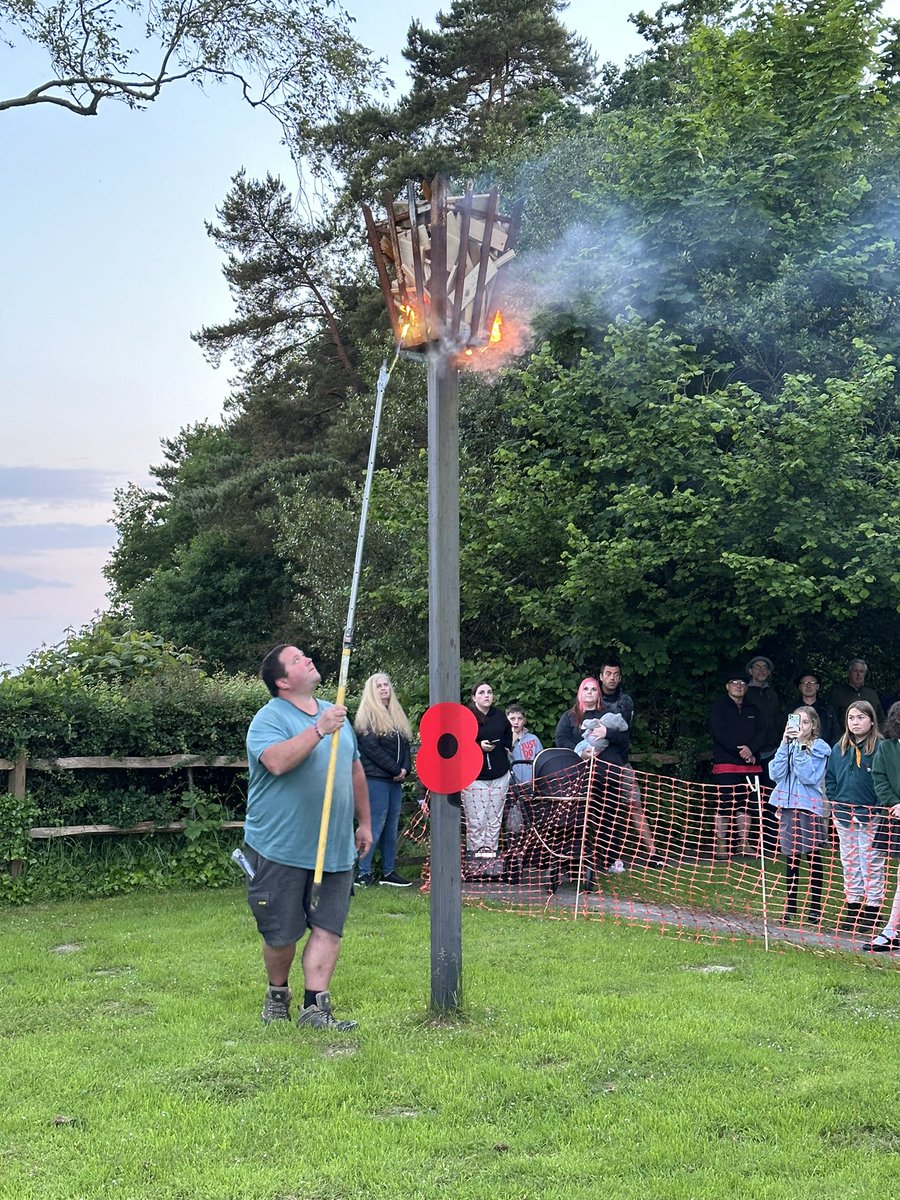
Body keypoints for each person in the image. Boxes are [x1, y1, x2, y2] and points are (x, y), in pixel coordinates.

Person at [243, 644, 372, 1030]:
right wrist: (319, 730)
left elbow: (354, 771)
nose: (308, 659)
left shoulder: (337, 718)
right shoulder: (269, 719)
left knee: (329, 927)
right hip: (279, 846)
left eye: (305, 655)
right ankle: (277, 994)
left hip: (334, 846)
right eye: (297, 659)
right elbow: (277, 762)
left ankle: (315, 1009)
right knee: (281, 933)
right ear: (282, 681)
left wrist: (364, 823)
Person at [825, 700, 885, 936]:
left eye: (861, 717)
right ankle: (853, 906)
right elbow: (829, 778)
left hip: (870, 814)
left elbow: (884, 780)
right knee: (849, 861)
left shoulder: (880, 747)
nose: (855, 722)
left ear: (871, 720)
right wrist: (833, 800)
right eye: (851, 718)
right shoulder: (839, 748)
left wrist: (879, 808)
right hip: (843, 813)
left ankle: (873, 909)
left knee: (870, 861)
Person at [768, 707, 831, 925]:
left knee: (812, 857)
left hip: (809, 806)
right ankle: (791, 905)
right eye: (797, 722)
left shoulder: (820, 748)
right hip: (787, 806)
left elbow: (808, 776)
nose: (800, 727)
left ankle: (815, 907)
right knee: (791, 857)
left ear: (813, 725)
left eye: (805, 723)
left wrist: (802, 749)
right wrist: (784, 745)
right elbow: (775, 773)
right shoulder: (789, 744)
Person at [354, 672, 413, 889]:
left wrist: (405, 769)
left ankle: (388, 871)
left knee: (391, 825)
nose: (383, 688)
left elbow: (406, 745)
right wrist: (395, 769)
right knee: (374, 824)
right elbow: (371, 749)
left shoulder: (396, 714)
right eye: (378, 686)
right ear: (371, 691)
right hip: (375, 779)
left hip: (395, 780)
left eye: (386, 684)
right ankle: (362, 872)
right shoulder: (367, 717)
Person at [709, 670, 763, 860]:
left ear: (747, 687)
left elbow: (762, 733)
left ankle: (744, 843)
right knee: (724, 805)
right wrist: (740, 751)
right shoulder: (719, 707)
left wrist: (751, 750)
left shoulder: (754, 709)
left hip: (750, 765)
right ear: (727, 686)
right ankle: (721, 845)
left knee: (746, 806)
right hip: (726, 764)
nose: (738, 685)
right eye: (734, 682)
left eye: (742, 682)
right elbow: (719, 733)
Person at [460, 682, 513, 864]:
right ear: (474, 697)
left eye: (489, 692)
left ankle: (490, 863)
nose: (486, 695)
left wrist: (504, 748)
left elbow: (508, 738)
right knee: (477, 822)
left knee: (494, 821)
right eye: (481, 692)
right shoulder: (466, 717)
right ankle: (475, 863)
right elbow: (459, 744)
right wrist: (478, 747)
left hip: (499, 774)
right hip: (475, 777)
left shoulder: (500, 716)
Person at [863, 702, 900, 952]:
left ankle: (891, 930)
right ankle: (891, 931)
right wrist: (894, 803)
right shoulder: (887, 748)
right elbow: (880, 778)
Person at [829, 658, 885, 728]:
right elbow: (833, 721)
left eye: (861, 671)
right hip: (846, 736)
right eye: (855, 671)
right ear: (849, 673)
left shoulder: (872, 694)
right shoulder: (838, 694)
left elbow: (881, 719)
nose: (858, 674)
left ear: (865, 674)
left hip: (871, 736)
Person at [794, 669, 839, 747]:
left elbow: (836, 735)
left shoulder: (827, 710)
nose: (808, 686)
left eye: (812, 683)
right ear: (800, 687)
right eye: (804, 683)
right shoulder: (791, 709)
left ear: (817, 686)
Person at [506, 704, 543, 785]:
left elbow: (540, 760)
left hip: (531, 784)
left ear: (524, 721)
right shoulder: (503, 739)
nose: (516, 722)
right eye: (512, 719)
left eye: (520, 718)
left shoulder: (533, 739)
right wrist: (512, 740)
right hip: (510, 785)